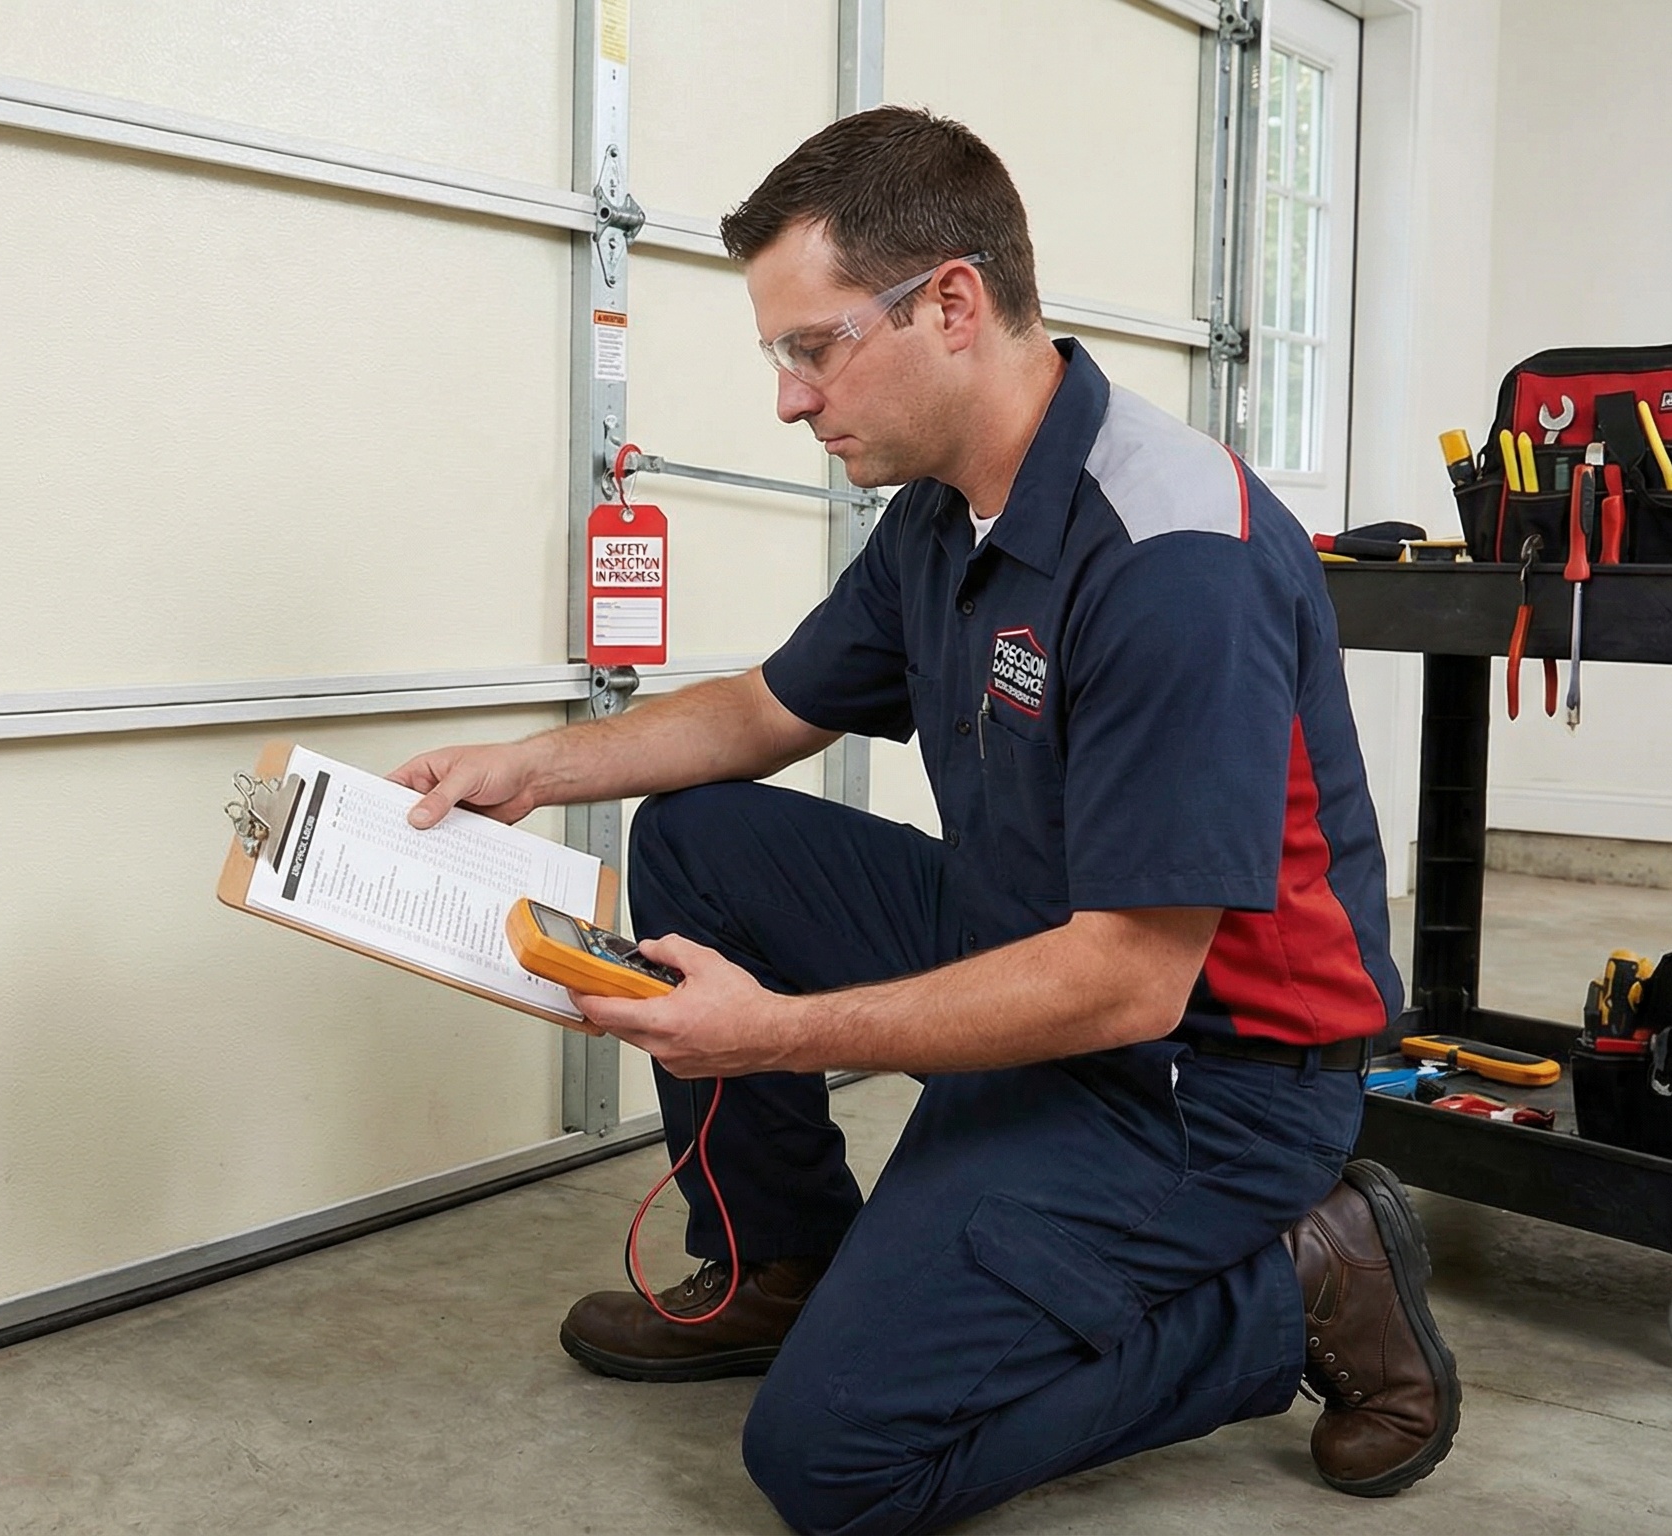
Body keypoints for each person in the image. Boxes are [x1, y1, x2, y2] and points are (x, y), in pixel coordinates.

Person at [389, 107, 1456, 1536]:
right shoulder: (948, 509)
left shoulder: (1172, 561)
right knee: (700, 836)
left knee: (835, 1464)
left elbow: (1134, 980)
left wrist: (773, 1031)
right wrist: (535, 765)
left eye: (810, 347)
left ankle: (1300, 1283)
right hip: (1039, 942)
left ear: (952, 303)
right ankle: (783, 1266)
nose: (788, 398)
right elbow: (769, 706)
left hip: (1212, 1073)